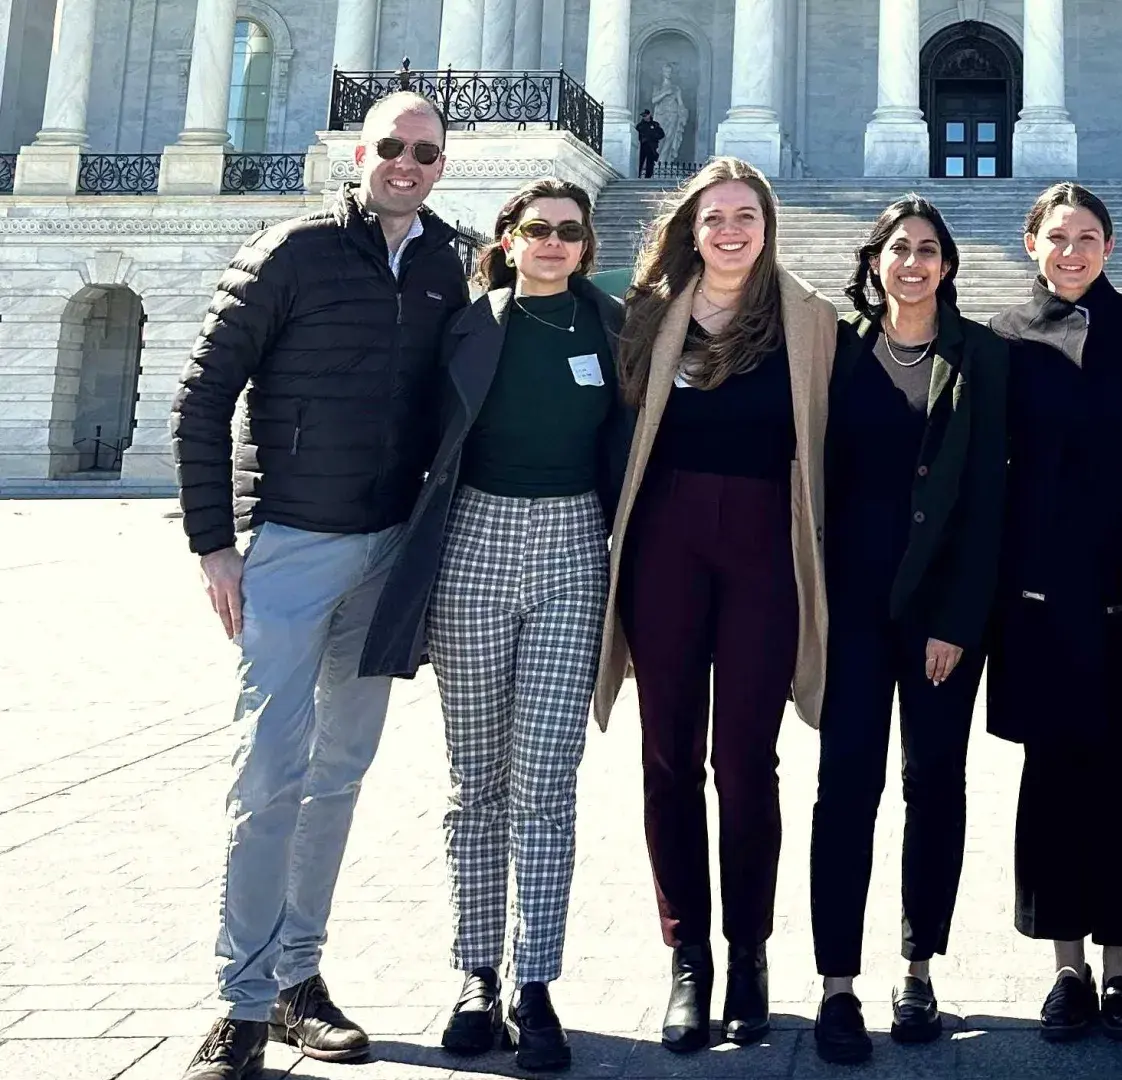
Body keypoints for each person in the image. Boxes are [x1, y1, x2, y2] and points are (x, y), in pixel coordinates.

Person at [170, 91, 468, 1080]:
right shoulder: (289, 252)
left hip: (385, 552)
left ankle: (300, 980)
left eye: (424, 152)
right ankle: (240, 1003)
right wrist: (216, 543)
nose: (407, 164)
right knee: (268, 780)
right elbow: (203, 396)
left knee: (336, 779)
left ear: (440, 164)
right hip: (293, 548)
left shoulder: (444, 264)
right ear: (359, 151)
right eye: (392, 147)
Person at [358, 178, 633, 1073]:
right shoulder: (471, 324)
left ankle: (538, 981)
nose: (552, 242)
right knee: (475, 779)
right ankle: (476, 972)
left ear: (586, 247)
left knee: (546, 782)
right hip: (474, 539)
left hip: (570, 549)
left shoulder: (613, 328)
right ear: (508, 240)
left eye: (567, 232)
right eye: (536, 230)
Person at [589, 157, 839, 1054]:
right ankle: (686, 956)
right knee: (668, 757)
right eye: (714, 217)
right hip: (666, 540)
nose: (731, 230)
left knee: (747, 761)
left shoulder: (809, 320)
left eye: (747, 215)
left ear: (769, 226)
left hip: (765, 547)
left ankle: (750, 955)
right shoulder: (645, 315)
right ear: (689, 228)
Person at [809, 196, 1009, 1064]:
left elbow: (990, 500)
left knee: (936, 788)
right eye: (901, 249)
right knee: (844, 790)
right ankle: (836, 983)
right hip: (851, 609)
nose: (915, 263)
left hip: (940, 620)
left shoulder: (983, 356)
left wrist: (959, 619)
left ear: (949, 265)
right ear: (875, 260)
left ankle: (919, 966)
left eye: (929, 250)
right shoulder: (837, 351)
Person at [987, 182, 1122, 1043]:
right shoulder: (1002, 338)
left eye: (1088, 236)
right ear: (1031, 242)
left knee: (1120, 780)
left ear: (1110, 245)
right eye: (1057, 236)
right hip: (1032, 591)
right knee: (1050, 781)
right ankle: (1065, 967)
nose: (1072, 250)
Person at [637, 110, 666, 179]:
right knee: (640, 161)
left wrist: (654, 137)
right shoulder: (640, 125)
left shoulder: (655, 124)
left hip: (652, 146)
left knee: (650, 162)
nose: (644, 117)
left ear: (649, 115)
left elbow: (662, 134)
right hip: (642, 145)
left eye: (645, 115)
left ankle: (648, 176)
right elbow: (637, 135)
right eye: (643, 116)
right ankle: (638, 175)